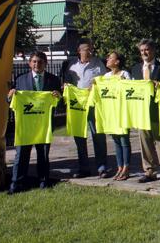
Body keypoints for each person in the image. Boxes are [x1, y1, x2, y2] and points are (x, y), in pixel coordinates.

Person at [8, 52, 61, 193]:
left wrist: (58, 97)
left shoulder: (54, 80)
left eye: (40, 62)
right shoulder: (20, 79)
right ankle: (16, 184)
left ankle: (43, 182)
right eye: (34, 62)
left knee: (43, 154)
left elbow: (60, 104)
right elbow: (12, 100)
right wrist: (10, 96)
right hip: (26, 125)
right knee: (21, 155)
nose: (37, 64)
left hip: (43, 125)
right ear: (30, 63)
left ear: (46, 63)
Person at [131, 39, 160, 185]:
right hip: (141, 111)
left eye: (147, 49)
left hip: (158, 111)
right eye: (142, 50)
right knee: (144, 143)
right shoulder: (135, 69)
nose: (144, 52)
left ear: (153, 50)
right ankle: (149, 171)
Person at [63, 39, 108, 178]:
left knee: (98, 135)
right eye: (87, 49)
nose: (90, 51)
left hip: (93, 103)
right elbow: (67, 82)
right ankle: (84, 168)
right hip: (78, 105)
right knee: (80, 136)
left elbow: (104, 82)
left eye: (91, 49)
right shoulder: (72, 66)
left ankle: (102, 167)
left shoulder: (98, 64)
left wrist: (94, 87)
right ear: (79, 51)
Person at [104, 51, 132, 181]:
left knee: (124, 140)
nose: (107, 59)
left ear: (117, 61)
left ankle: (126, 167)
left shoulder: (124, 74)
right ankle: (119, 167)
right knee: (116, 140)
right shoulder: (106, 76)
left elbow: (130, 89)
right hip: (111, 113)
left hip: (122, 112)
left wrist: (124, 82)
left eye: (110, 58)